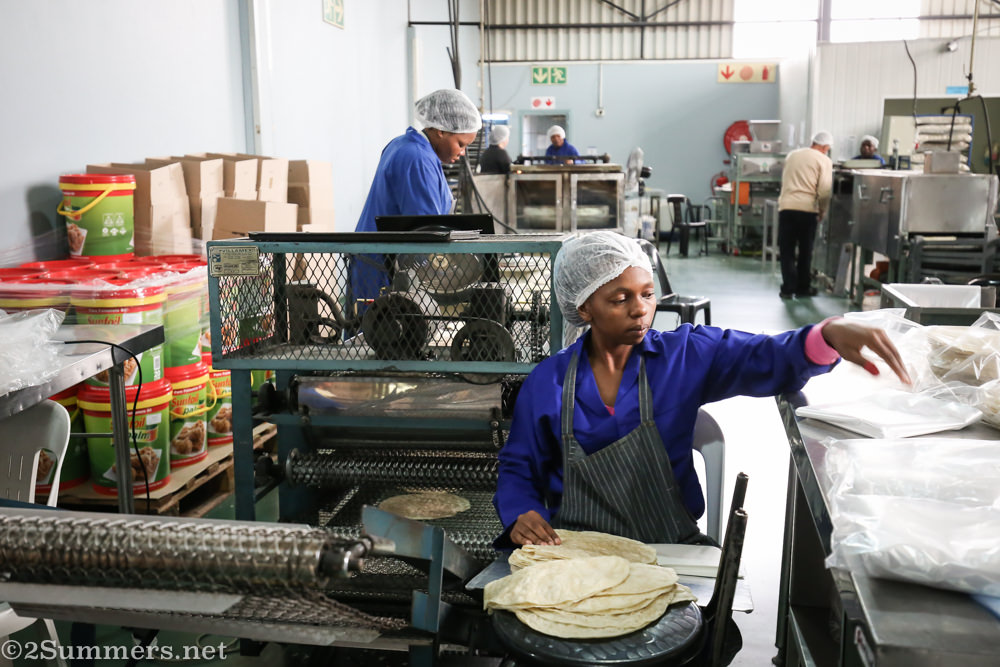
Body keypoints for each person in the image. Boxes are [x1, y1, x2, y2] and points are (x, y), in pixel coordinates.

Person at [493, 231, 910, 548]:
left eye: (647, 294)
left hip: (670, 548)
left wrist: (829, 333)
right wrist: (520, 512)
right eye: (620, 299)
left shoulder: (685, 355)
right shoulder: (548, 382)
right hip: (577, 548)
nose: (640, 309)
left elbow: (767, 356)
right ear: (584, 308)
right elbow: (519, 466)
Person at [350, 89, 482, 303]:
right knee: (379, 331)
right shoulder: (416, 158)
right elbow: (425, 230)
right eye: (461, 144)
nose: (462, 152)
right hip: (384, 269)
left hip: (378, 260)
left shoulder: (406, 146)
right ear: (440, 130)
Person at [776, 130, 833, 300]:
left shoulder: (792, 156)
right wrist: (823, 210)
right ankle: (802, 288)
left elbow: (785, 179)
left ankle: (787, 289)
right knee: (805, 250)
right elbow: (824, 190)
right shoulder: (824, 160)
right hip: (807, 210)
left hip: (786, 207)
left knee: (786, 250)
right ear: (825, 147)